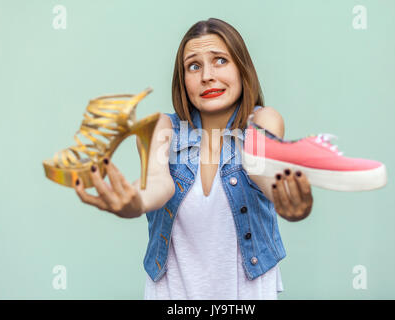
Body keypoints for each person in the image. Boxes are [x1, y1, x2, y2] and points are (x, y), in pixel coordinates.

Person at [74, 18, 313, 300]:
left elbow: (261, 166)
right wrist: (134, 202)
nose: (207, 76)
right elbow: (157, 183)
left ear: (242, 68)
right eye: (194, 66)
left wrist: (284, 196)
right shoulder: (161, 127)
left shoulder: (262, 120)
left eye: (220, 60)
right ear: (182, 79)